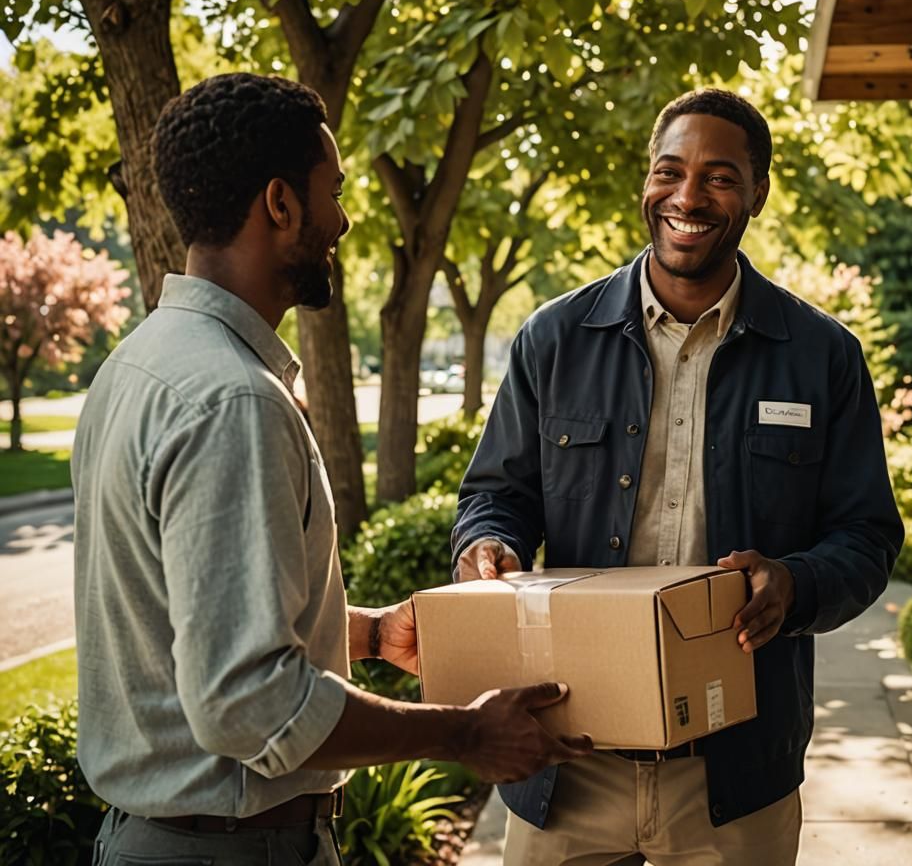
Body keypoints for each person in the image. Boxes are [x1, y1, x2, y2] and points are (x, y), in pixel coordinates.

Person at [72, 73, 591, 866]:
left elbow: (190, 615)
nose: (343, 220)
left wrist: (371, 632)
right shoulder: (233, 401)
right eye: (333, 191)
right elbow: (249, 703)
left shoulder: (138, 365)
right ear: (281, 204)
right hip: (235, 849)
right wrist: (467, 732)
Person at [451, 88, 904, 864]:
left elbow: (867, 535)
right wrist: (487, 543)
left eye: (720, 177)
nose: (688, 197)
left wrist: (795, 583)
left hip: (735, 774)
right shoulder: (554, 339)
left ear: (757, 191)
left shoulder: (822, 354)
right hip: (568, 758)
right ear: (646, 181)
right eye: (671, 171)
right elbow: (497, 495)